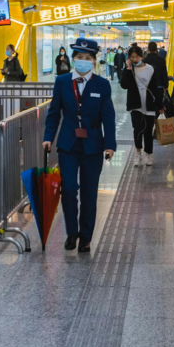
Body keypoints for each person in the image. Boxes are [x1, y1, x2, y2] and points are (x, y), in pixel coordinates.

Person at [43, 38, 116, 253]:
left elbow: (108, 116)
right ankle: (71, 232)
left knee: (89, 193)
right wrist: (48, 136)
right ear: (73, 59)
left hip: (93, 145)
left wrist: (110, 144)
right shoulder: (62, 81)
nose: (83, 61)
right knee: (69, 189)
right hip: (68, 144)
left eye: (87, 58)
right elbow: (54, 112)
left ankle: (85, 237)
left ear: (94, 61)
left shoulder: (102, 85)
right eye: (79, 58)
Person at [121, 45, 165, 166]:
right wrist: (128, 68)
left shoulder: (150, 69)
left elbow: (155, 88)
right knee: (138, 130)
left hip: (149, 105)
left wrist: (160, 105)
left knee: (148, 131)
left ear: (142, 56)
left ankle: (148, 154)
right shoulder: (130, 70)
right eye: (132, 57)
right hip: (135, 105)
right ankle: (138, 153)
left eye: (137, 56)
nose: (135, 59)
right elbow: (124, 85)